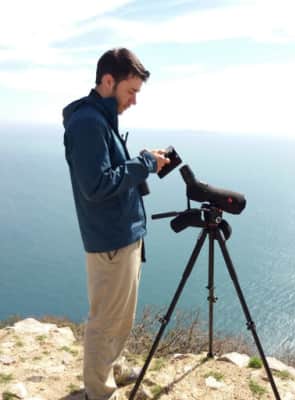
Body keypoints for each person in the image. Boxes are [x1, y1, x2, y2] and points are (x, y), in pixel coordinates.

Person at [62, 48, 170, 400]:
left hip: (123, 235)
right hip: (110, 241)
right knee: (105, 321)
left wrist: (142, 161)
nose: (134, 101)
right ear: (108, 81)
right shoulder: (88, 123)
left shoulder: (101, 118)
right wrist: (144, 164)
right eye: (131, 91)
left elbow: (111, 171)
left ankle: (114, 366)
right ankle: (99, 392)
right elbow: (95, 186)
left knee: (121, 317)